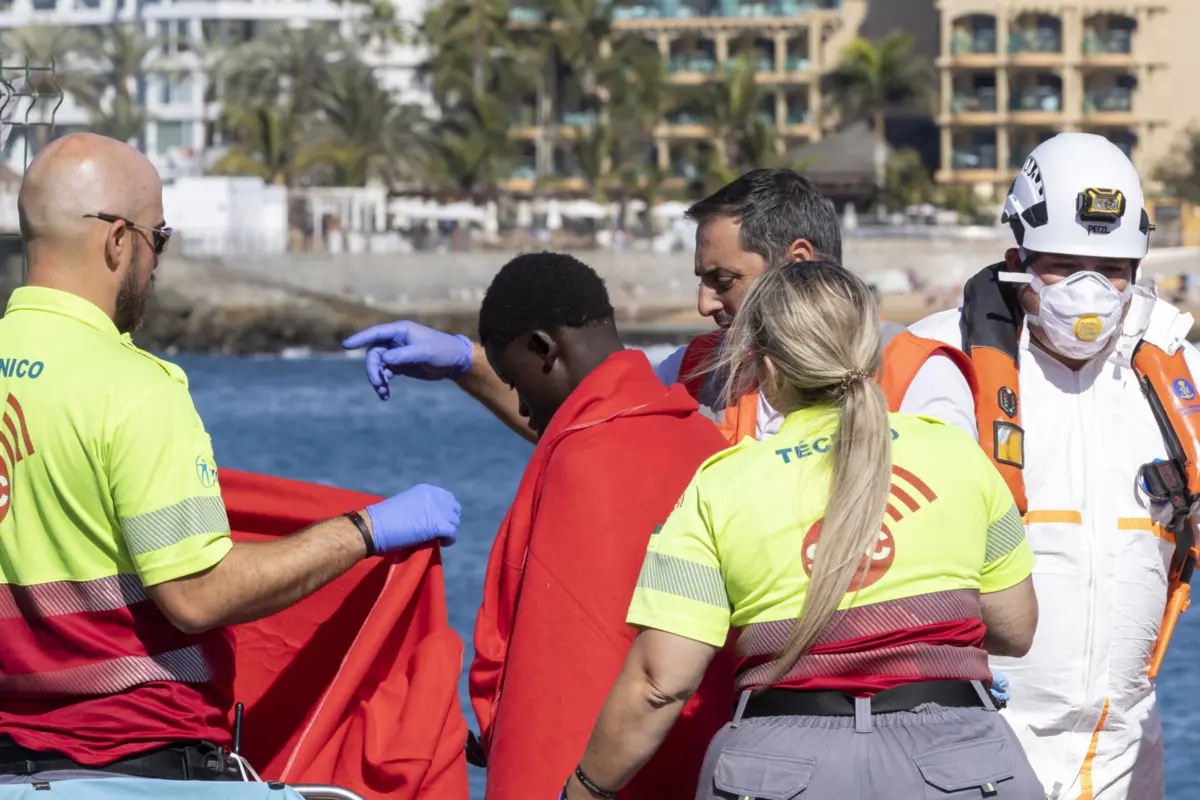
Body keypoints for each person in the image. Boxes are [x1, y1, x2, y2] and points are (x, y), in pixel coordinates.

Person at [0, 132, 462, 781]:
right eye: (159, 239)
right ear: (118, 241)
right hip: (139, 761)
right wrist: (365, 531)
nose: (157, 264)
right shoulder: (134, 387)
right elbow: (196, 595)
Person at [559, 261, 1042, 800]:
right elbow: (1016, 628)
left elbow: (659, 683)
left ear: (768, 368)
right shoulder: (957, 454)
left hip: (778, 771)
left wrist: (584, 789)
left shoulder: (722, 485)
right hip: (964, 763)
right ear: (872, 352)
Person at [903, 131, 1199, 799]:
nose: (1091, 290)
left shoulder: (1178, 376)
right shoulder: (938, 366)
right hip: (975, 737)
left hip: (1124, 744)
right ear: (1019, 259)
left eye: (1112, 269)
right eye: (1065, 265)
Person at [341, 170, 980, 446]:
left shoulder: (918, 375)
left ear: (797, 261)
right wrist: (464, 361)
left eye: (722, 280)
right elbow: (580, 421)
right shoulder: (700, 371)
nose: (704, 303)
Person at [415, 251, 730, 800]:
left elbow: (552, 671)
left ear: (544, 348)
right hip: (700, 762)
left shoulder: (578, 459)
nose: (523, 409)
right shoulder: (708, 441)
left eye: (515, 381)